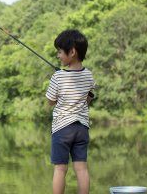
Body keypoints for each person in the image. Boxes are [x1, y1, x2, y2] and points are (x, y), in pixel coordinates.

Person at [46, 29, 95, 194]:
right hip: (82, 128)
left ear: (72, 52)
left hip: (62, 129)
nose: (58, 56)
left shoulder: (58, 77)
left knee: (60, 169)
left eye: (60, 52)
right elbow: (89, 97)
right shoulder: (89, 75)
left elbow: (50, 101)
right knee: (81, 169)